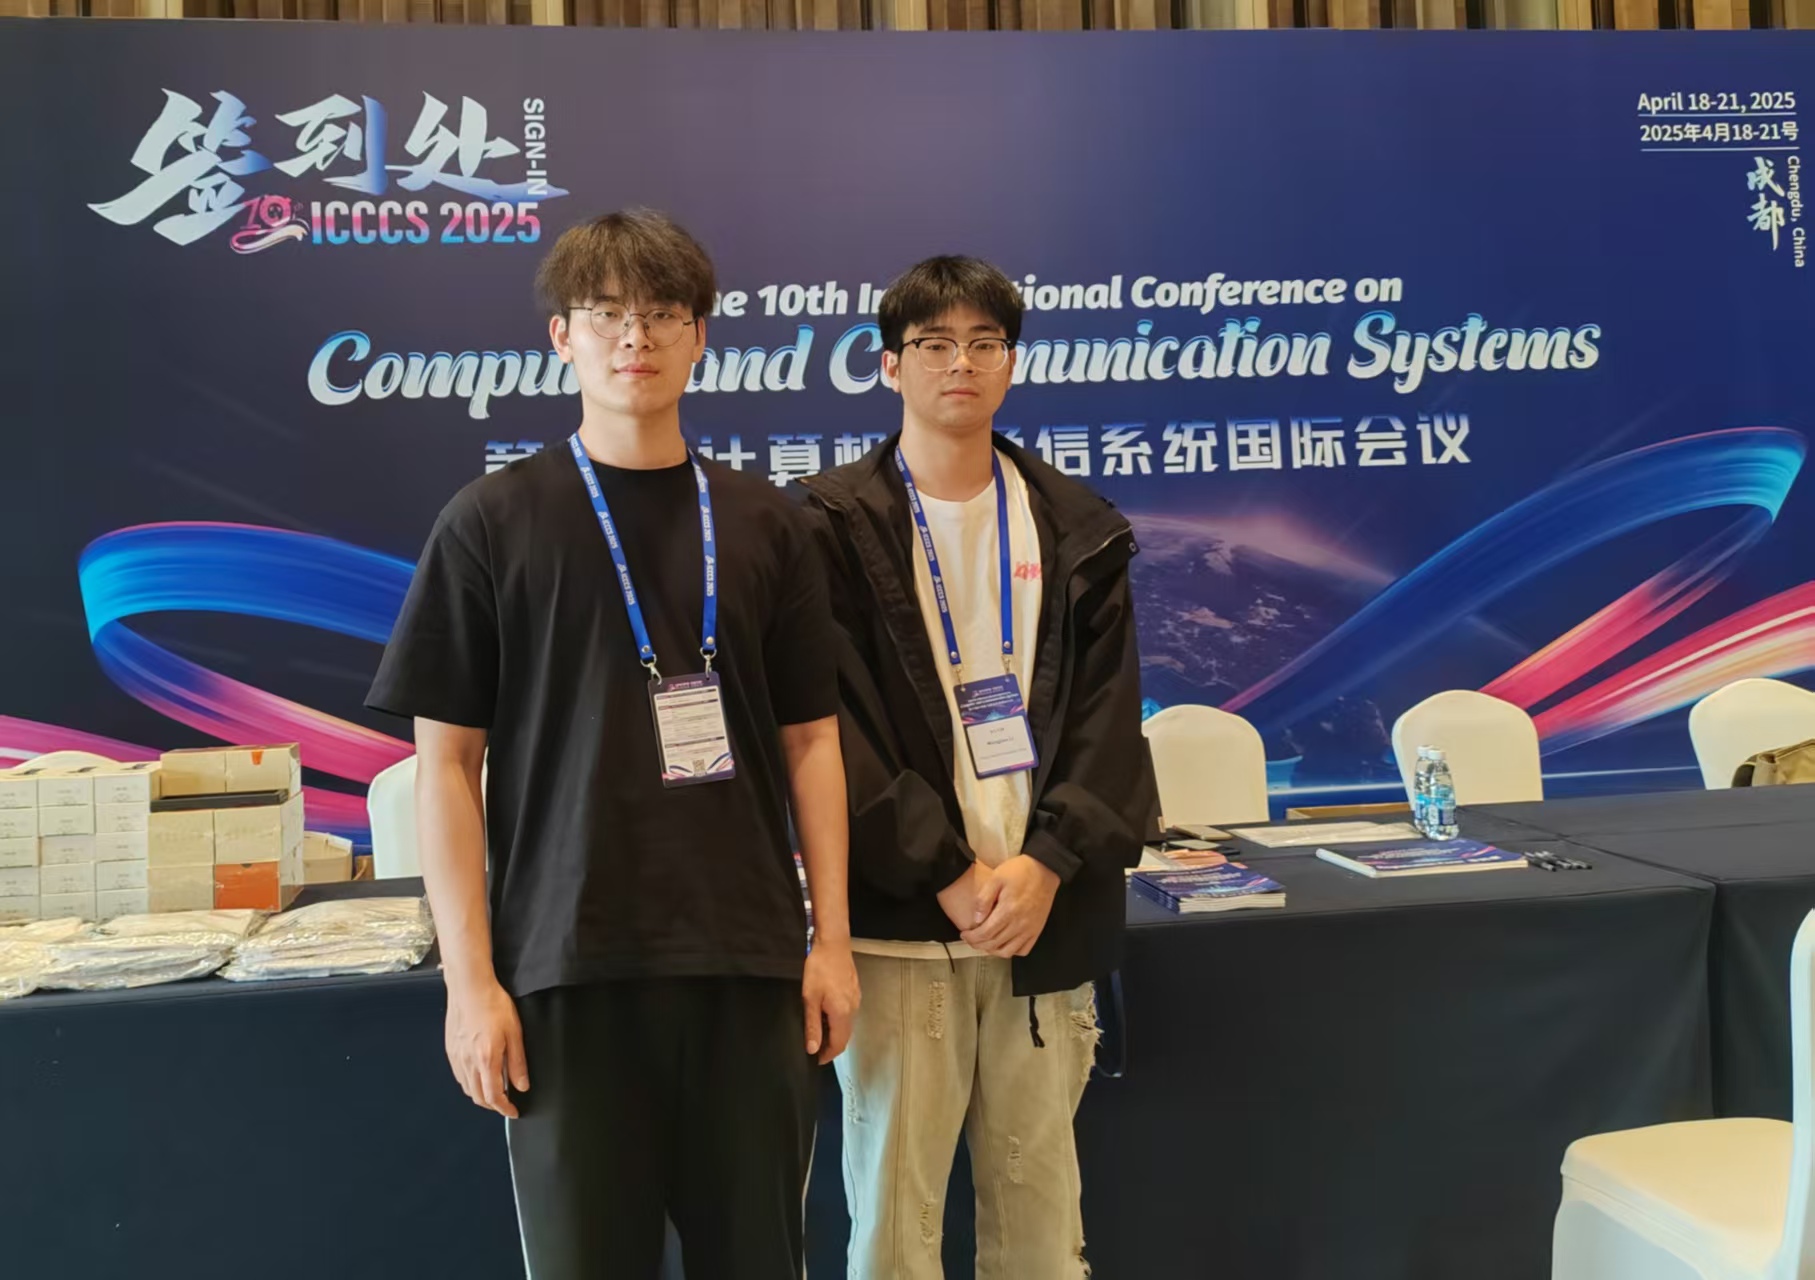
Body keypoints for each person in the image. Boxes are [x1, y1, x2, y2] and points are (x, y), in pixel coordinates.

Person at [367, 208, 860, 1280]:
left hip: (747, 965)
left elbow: (814, 743)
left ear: (700, 336)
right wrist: (469, 984)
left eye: (663, 314)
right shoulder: (490, 521)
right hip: (564, 971)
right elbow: (444, 767)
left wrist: (831, 940)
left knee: (761, 1259)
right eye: (606, 314)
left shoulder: (770, 524)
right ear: (562, 336)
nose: (635, 336)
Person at [799, 256, 1157, 1279]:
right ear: (888, 365)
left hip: (1044, 921)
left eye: (984, 344)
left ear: (1010, 362)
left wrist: (1047, 863)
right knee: (894, 1225)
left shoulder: (1078, 526)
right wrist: (944, 870)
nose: (960, 363)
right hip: (901, 927)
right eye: (934, 344)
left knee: (1040, 1217)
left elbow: (1108, 723)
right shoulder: (825, 526)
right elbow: (827, 733)